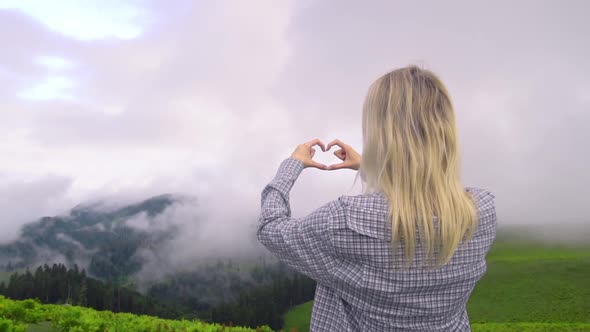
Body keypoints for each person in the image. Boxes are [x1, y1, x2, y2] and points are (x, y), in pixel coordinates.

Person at [257, 65, 497, 331]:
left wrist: (292, 164)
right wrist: (372, 169)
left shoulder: (344, 220)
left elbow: (271, 229)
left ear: (380, 134)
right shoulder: (481, 213)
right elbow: (413, 206)